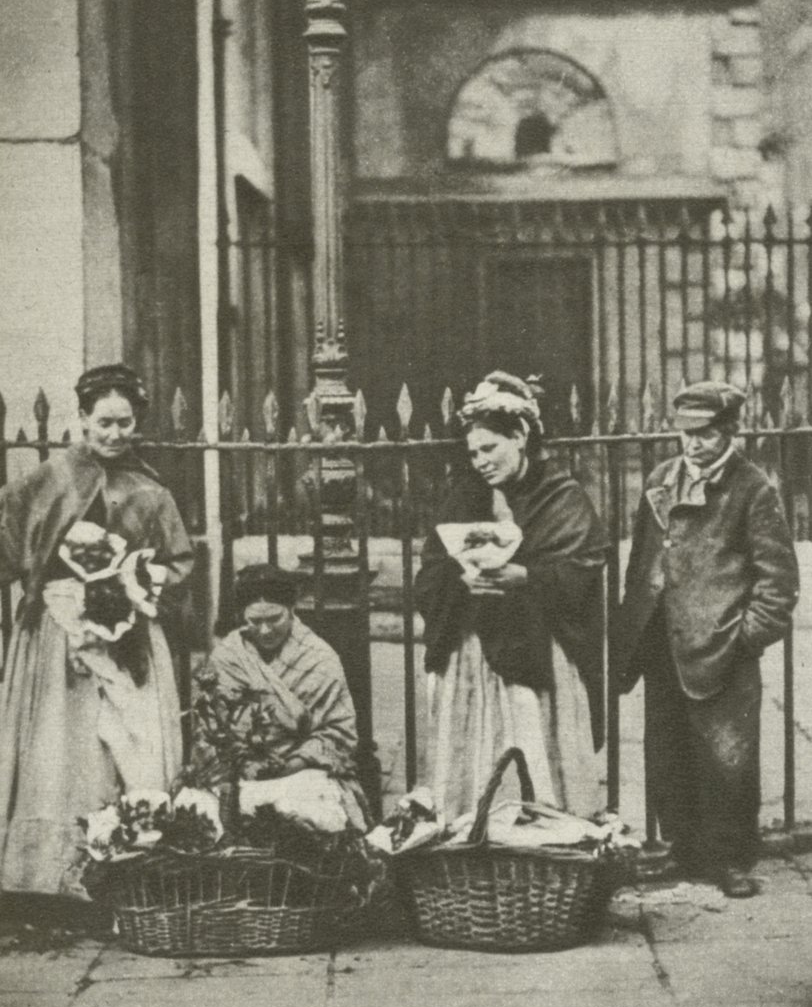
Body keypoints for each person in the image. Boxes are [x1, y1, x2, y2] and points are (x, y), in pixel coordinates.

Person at [0, 363, 193, 900]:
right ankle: (55, 872)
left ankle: (131, 864)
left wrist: (135, 583)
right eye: (103, 422)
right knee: (62, 745)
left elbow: (179, 564)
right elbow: (10, 547)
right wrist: (55, 586)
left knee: (130, 741)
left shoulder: (151, 492)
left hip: (127, 635)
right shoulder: (46, 481)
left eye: (124, 423)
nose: (114, 434)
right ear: (81, 419)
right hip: (57, 638)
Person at [617, 381, 799, 898]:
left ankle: (730, 859)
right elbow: (641, 561)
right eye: (684, 432)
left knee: (727, 756)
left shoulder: (752, 488)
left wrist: (746, 638)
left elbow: (779, 580)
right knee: (667, 749)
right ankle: (680, 848)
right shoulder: (660, 479)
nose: (692, 444)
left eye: (704, 434)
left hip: (722, 646)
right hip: (662, 641)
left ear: (729, 431)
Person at [414, 370, 608, 821]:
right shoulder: (463, 499)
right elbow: (431, 571)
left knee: (540, 751)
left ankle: (554, 845)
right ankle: (471, 838)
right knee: (473, 755)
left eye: (490, 448)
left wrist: (526, 577)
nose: (480, 461)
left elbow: (582, 568)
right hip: (473, 652)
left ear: (520, 436)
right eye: (474, 452)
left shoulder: (562, 497)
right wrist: (459, 581)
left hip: (538, 654)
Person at [202, 564, 369, 829]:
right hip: (238, 771)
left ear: (292, 611)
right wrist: (239, 761)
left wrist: (293, 763)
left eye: (275, 619)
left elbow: (338, 732)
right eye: (255, 621)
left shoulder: (319, 658)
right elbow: (209, 726)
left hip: (301, 771)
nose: (265, 630)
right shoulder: (228, 657)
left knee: (307, 816)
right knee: (203, 814)